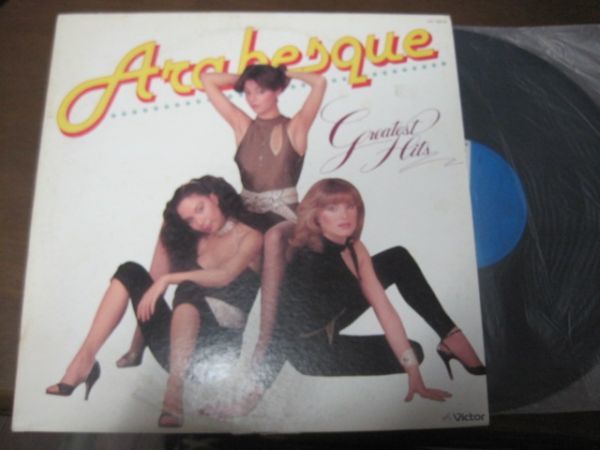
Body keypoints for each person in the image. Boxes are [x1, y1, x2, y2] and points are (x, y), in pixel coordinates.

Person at [206, 178, 481, 417]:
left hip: (332, 317)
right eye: (332, 208)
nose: (345, 215)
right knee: (413, 352)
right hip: (309, 350)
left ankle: (451, 336)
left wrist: (415, 378)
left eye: (350, 206)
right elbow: (276, 326)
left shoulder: (355, 248)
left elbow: (384, 308)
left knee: (412, 353)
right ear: (316, 215)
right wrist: (251, 394)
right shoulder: (299, 253)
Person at [116, 64, 327, 369]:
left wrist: (283, 73)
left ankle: (262, 348)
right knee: (172, 223)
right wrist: (250, 77)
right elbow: (208, 80)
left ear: (278, 90)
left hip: (281, 219)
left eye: (261, 91)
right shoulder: (243, 126)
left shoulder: (295, 128)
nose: (252, 99)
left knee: (270, 240)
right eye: (248, 92)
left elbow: (319, 82)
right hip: (246, 211)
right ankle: (139, 342)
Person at [46, 176, 263, 428]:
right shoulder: (197, 239)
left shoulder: (251, 237)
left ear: (214, 199)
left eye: (200, 209)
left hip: (217, 351)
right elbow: (154, 279)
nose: (199, 222)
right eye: (190, 220)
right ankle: (83, 362)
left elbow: (224, 275)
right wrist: (136, 349)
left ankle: (173, 396)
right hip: (176, 349)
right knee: (130, 271)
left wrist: (170, 279)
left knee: (190, 295)